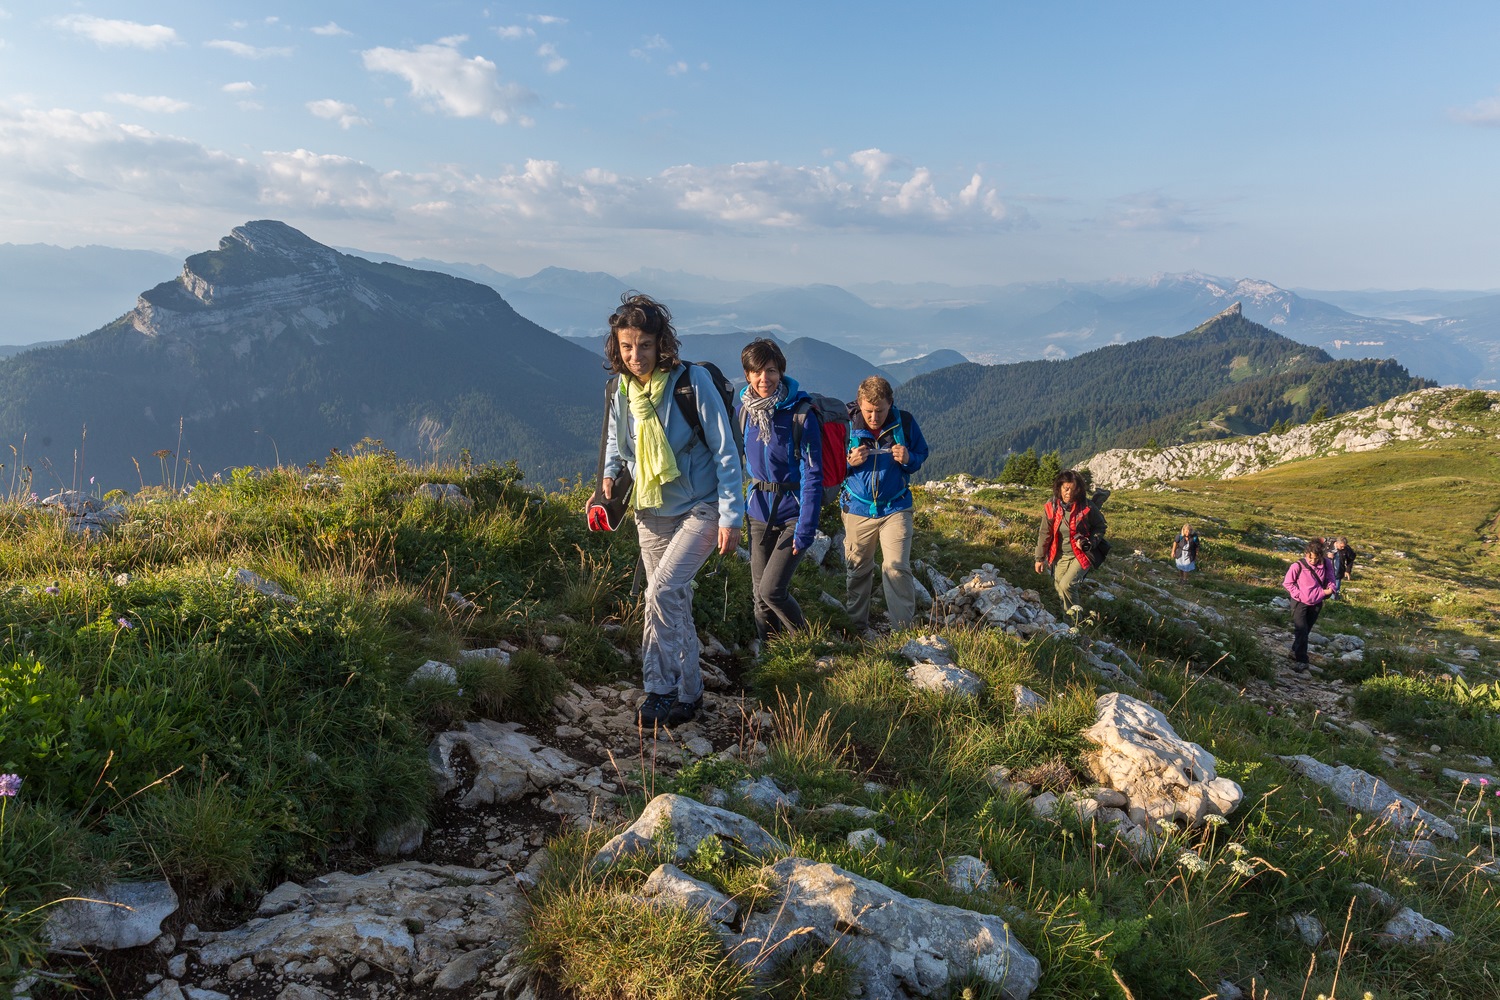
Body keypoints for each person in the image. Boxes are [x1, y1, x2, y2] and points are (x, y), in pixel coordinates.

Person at [601, 293, 744, 727]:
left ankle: (658, 690)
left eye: (644, 345)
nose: (635, 355)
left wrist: (730, 516)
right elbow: (614, 439)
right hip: (649, 507)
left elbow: (724, 451)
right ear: (617, 348)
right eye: (627, 347)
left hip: (700, 508)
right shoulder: (620, 389)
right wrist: (609, 474)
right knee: (672, 599)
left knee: (660, 593)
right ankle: (689, 691)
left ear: (661, 343)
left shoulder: (691, 382)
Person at [737, 338, 824, 644]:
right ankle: (772, 656)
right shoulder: (745, 412)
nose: (764, 378)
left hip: (792, 515)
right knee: (759, 596)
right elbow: (737, 462)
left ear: (781, 372)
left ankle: (805, 642)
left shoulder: (801, 415)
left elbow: (813, 475)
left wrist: (806, 529)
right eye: (757, 371)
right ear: (747, 374)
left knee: (772, 590)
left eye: (771, 370)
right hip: (758, 512)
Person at [841, 376, 929, 637]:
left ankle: (902, 633)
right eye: (868, 410)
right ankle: (857, 629)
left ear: (891, 403)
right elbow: (831, 467)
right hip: (857, 507)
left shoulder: (906, 422)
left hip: (896, 507)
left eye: (880, 410)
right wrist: (849, 463)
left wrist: (908, 458)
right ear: (859, 404)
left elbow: (921, 454)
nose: (874, 417)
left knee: (897, 567)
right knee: (857, 569)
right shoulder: (846, 425)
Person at [1033, 469, 1107, 614]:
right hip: (1059, 554)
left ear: (1078, 490)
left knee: (1067, 585)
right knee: (1059, 587)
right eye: (1066, 489)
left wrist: (1090, 542)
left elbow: (1100, 526)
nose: (1069, 493)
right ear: (1059, 487)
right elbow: (1044, 533)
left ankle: (1074, 625)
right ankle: (1069, 620)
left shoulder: (1087, 507)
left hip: (1081, 554)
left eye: (1073, 490)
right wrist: (1039, 558)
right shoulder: (1052, 506)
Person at [1283, 538, 1336, 669]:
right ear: (1306, 554)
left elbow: (1331, 578)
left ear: (1320, 555)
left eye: (1315, 558)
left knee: (1306, 630)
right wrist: (1300, 595)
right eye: (1310, 558)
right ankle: (1302, 660)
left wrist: (1330, 589)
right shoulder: (1297, 566)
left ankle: (1295, 650)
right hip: (1300, 602)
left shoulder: (1326, 563)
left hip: (1317, 601)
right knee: (1301, 629)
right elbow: (1288, 583)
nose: (1312, 561)